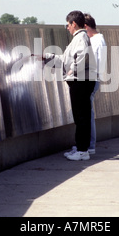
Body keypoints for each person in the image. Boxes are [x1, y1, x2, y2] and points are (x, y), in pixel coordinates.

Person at [40, 11, 97, 161]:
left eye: (68, 24)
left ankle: (82, 151)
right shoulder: (79, 38)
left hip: (81, 81)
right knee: (81, 116)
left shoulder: (81, 38)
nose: (67, 27)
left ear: (74, 24)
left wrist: (74, 70)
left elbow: (82, 56)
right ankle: (81, 148)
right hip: (82, 80)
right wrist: (47, 58)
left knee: (81, 116)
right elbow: (65, 60)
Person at [84, 13, 107, 155]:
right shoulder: (100, 39)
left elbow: (89, 62)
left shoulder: (94, 41)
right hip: (95, 79)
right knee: (88, 113)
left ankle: (89, 145)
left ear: (86, 27)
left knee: (87, 114)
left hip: (90, 79)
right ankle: (88, 144)